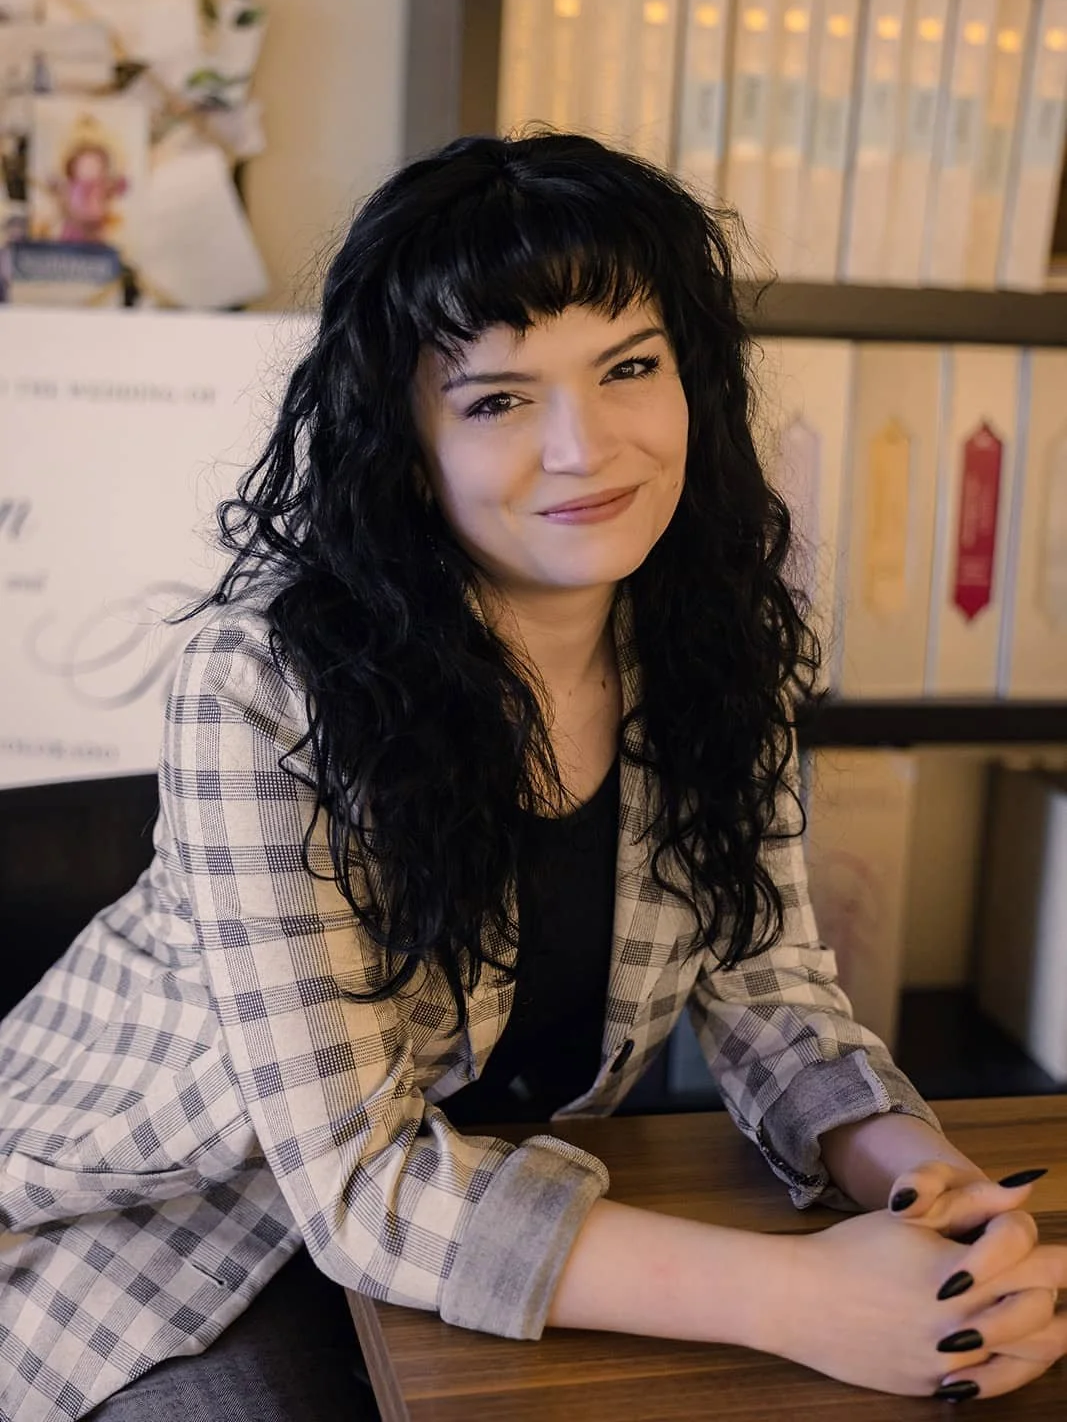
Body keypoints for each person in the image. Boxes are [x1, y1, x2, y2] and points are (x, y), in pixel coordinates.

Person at [1, 132, 1064, 1422]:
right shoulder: (263, 682)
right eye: (498, 398)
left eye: (630, 367)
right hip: (163, 1220)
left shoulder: (715, 641)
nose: (586, 447)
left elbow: (769, 980)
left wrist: (916, 1182)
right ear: (402, 437)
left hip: (490, 1201)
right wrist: (799, 1299)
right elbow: (353, 1185)